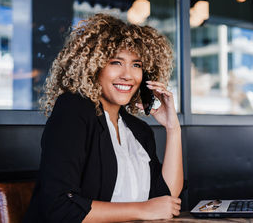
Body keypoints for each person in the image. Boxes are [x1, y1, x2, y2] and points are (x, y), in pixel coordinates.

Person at [23, 13, 183, 222]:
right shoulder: (73, 110)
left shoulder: (138, 131)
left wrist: (173, 128)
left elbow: (166, 199)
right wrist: (141, 210)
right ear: (93, 66)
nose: (128, 75)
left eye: (137, 65)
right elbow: (60, 206)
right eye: (116, 62)